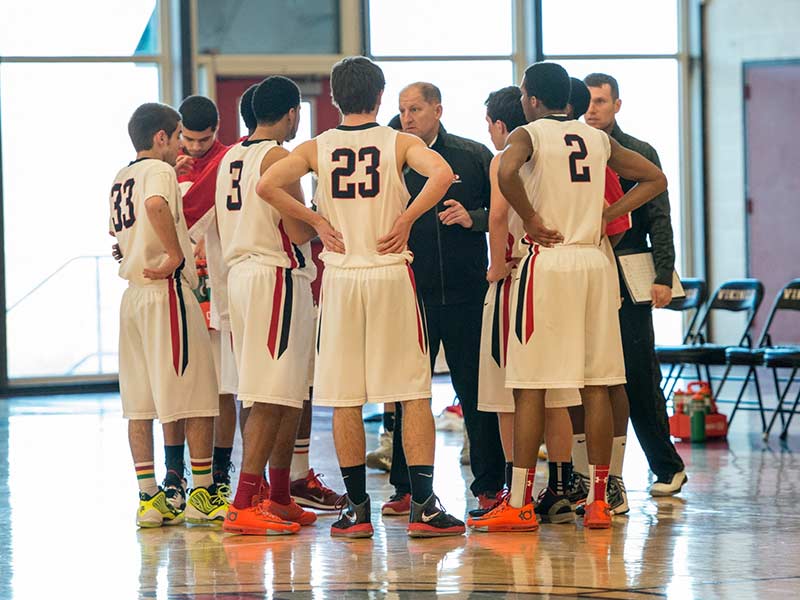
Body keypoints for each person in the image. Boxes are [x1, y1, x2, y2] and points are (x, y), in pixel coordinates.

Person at [257, 56, 465, 539]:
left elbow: (267, 185)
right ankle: (425, 506)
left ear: (333, 98)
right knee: (412, 393)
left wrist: (317, 222)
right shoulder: (400, 141)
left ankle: (356, 510)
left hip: (343, 278)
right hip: (390, 272)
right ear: (379, 96)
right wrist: (407, 218)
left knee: (345, 396)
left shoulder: (316, 146)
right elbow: (441, 172)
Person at [469, 62, 666, 532]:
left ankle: (517, 502)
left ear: (532, 99)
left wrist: (531, 217)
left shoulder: (527, 134)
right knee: (597, 383)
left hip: (549, 261)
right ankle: (599, 500)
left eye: (522, 95)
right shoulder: (596, 138)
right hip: (594, 263)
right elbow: (655, 177)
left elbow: (508, 173)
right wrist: (609, 213)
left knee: (531, 384)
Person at [384, 81, 506, 516]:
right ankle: (405, 488)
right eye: (402, 109)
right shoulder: (392, 157)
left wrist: (471, 218)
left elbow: (500, 212)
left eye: (415, 108)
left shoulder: (472, 155)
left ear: (438, 109)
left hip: (466, 290)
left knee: (475, 392)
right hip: (410, 292)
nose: (408, 117)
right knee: (409, 393)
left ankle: (490, 486)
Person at [110, 102, 227, 527]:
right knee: (198, 394)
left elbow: (117, 236)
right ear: (160, 137)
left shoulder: (121, 176)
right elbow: (158, 206)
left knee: (139, 404)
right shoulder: (158, 172)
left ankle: (148, 498)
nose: (182, 146)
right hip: (166, 291)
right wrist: (176, 254)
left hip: (133, 297)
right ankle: (200, 492)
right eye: (177, 136)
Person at [216, 76, 317, 536]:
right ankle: (244, 502)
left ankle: (277, 495)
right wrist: (327, 214)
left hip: (244, 276)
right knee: (272, 392)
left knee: (287, 389)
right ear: (292, 114)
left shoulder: (229, 158)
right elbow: (298, 232)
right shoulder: (278, 157)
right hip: (274, 273)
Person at [583, 72, 687, 496]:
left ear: (617, 105)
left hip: (630, 272)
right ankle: (593, 478)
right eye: (587, 101)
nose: (592, 109)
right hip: (587, 272)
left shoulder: (639, 152)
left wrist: (664, 276)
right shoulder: (574, 153)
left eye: (601, 102)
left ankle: (666, 465)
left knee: (639, 376)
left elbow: (660, 219)